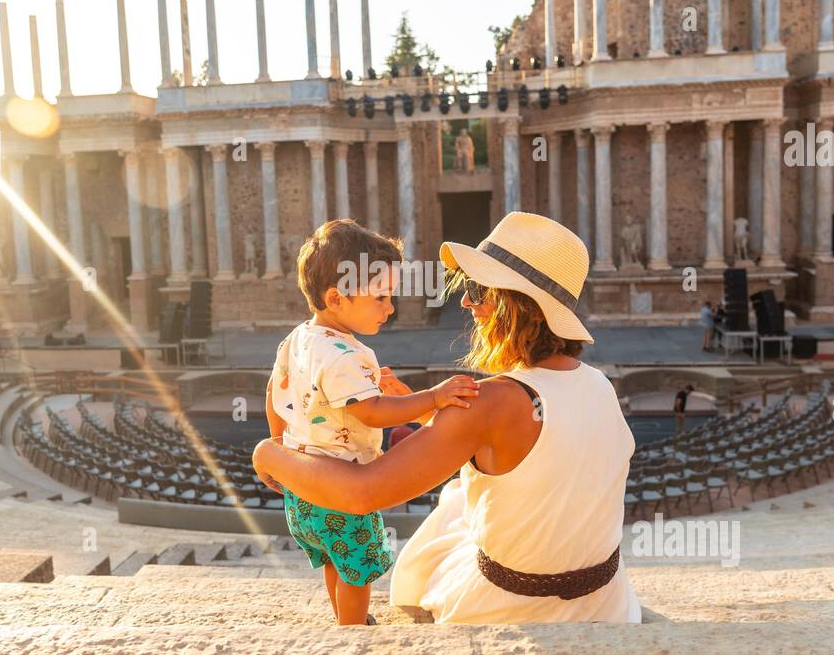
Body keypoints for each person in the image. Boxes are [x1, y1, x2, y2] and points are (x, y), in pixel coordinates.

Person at [254, 211, 641, 624]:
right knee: (461, 499)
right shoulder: (600, 385)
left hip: (511, 607)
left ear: (513, 304)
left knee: (451, 508)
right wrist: (430, 417)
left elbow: (361, 494)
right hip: (606, 602)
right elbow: (538, 453)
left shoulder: (488, 404)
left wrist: (269, 453)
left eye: (477, 289)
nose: (466, 301)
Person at [262, 219, 479, 626]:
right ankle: (353, 630)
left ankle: (343, 617)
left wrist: (281, 444)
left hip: (303, 488)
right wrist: (432, 397)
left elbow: (275, 393)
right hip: (341, 488)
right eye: (380, 297)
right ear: (336, 297)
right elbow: (372, 412)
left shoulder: (296, 339)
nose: (390, 307)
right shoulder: (347, 355)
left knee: (333, 560)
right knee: (356, 570)